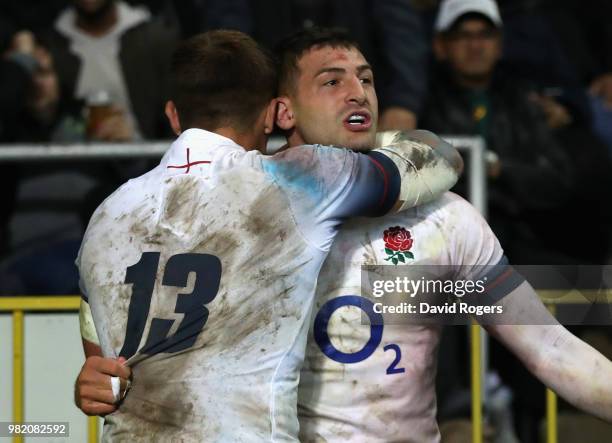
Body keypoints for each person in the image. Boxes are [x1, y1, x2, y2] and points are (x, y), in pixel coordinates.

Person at [74, 30, 461, 441]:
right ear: (274, 113)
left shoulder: (107, 212)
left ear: (173, 114)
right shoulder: (297, 180)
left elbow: (101, 368)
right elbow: (438, 159)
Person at [267, 26, 612, 442]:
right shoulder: (242, 215)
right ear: (285, 112)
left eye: (367, 78)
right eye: (332, 81)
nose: (357, 92)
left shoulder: (443, 218)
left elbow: (551, 348)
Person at [39, 0, 179, 141]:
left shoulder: (153, 39)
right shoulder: (50, 44)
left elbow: (174, 117)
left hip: (145, 156)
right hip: (70, 156)